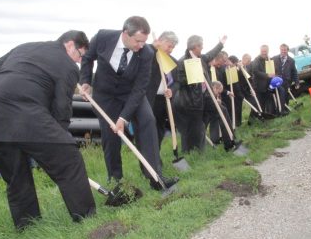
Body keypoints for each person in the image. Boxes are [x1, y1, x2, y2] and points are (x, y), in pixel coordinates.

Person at [0, 31, 96, 230]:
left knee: (16, 177)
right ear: (70, 45)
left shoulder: (23, 48)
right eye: (80, 55)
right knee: (70, 161)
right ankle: (86, 219)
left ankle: (28, 227)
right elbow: (62, 109)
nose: (78, 61)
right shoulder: (67, 65)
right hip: (26, 115)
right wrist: (56, 141)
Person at [79, 16, 178, 190]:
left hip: (131, 94)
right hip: (105, 96)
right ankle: (117, 181)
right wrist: (86, 81)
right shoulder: (103, 37)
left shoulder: (147, 53)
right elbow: (87, 58)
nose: (141, 45)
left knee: (148, 121)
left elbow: (140, 88)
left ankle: (156, 177)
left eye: (144, 41)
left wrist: (124, 118)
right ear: (125, 33)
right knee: (111, 137)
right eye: (138, 41)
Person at [173, 34, 226, 152]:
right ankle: (193, 151)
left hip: (204, 97)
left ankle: (226, 141)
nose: (202, 48)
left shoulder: (201, 58)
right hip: (189, 100)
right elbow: (179, 81)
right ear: (195, 46)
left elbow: (211, 54)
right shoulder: (182, 61)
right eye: (201, 46)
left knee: (217, 112)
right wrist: (192, 78)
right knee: (191, 127)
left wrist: (221, 44)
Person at [144, 31, 179, 146]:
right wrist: (153, 47)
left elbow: (177, 82)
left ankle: (155, 157)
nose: (171, 50)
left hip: (163, 100)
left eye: (173, 47)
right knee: (148, 130)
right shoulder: (149, 54)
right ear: (161, 41)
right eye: (169, 46)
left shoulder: (173, 62)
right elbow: (141, 51)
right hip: (148, 99)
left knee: (160, 130)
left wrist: (171, 90)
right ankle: (149, 159)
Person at [272, 43, 299, 112]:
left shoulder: (291, 60)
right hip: (277, 81)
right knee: (279, 95)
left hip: (287, 81)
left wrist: (297, 82)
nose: (283, 51)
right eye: (282, 50)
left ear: (287, 50)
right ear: (280, 50)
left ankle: (285, 110)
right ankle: (279, 110)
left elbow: (294, 72)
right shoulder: (274, 58)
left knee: (286, 96)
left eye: (285, 50)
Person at [251, 45, 273, 113]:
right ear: (260, 51)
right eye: (262, 51)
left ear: (268, 51)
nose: (264, 53)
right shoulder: (256, 60)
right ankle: (254, 119)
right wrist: (267, 75)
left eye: (265, 51)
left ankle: (268, 115)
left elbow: (272, 70)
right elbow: (255, 71)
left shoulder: (269, 59)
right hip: (259, 85)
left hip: (267, 85)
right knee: (258, 103)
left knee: (267, 101)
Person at [228, 55, 245, 127]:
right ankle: (233, 123)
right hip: (231, 91)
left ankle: (238, 122)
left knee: (239, 107)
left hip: (239, 91)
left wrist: (241, 69)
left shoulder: (237, 70)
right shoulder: (228, 70)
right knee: (233, 108)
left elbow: (242, 79)